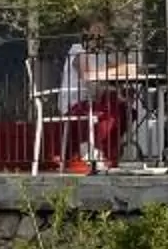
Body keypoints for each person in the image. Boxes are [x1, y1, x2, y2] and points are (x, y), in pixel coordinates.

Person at [55, 14, 136, 168]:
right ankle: (99, 153)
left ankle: (107, 153)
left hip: (95, 100)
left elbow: (126, 68)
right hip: (76, 101)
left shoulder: (103, 53)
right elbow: (87, 75)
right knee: (111, 106)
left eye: (103, 29)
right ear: (86, 31)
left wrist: (111, 68)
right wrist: (110, 74)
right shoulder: (78, 49)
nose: (101, 33)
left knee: (126, 110)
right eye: (97, 29)